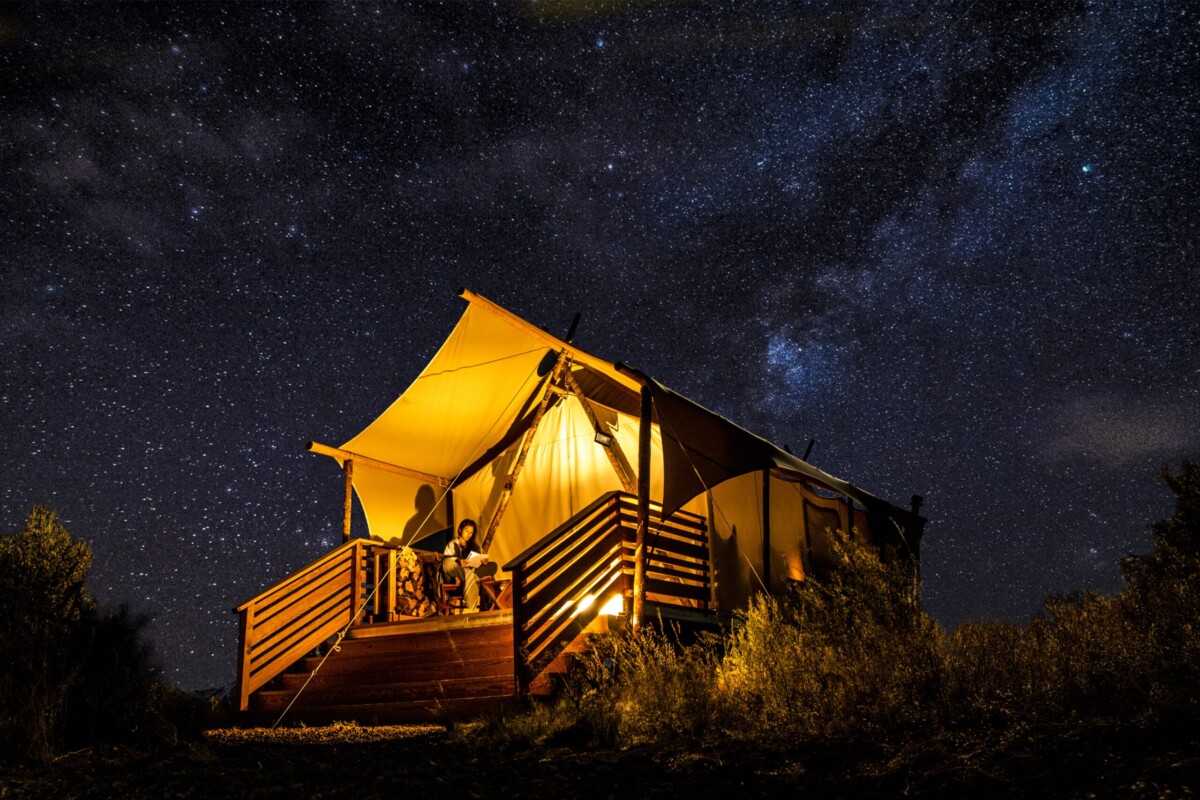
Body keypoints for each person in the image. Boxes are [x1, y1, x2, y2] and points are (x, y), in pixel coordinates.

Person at [442, 519, 495, 612]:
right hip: (457, 573)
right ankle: (473, 578)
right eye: (466, 531)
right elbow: (447, 560)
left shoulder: (474, 545)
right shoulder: (452, 544)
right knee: (447, 563)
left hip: (472, 571)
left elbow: (481, 557)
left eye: (471, 532)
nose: (469, 534)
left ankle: (471, 577)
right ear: (460, 530)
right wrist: (459, 561)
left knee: (493, 565)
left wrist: (484, 562)